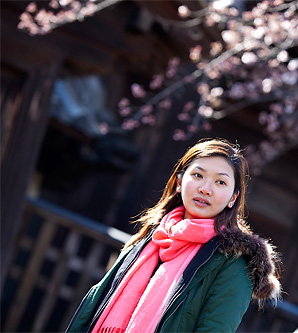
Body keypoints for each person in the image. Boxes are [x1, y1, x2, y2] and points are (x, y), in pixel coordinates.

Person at [66, 138, 281, 333]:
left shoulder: (234, 261)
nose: (206, 189)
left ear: (233, 198)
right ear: (179, 182)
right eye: (198, 175)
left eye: (220, 182)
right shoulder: (152, 235)